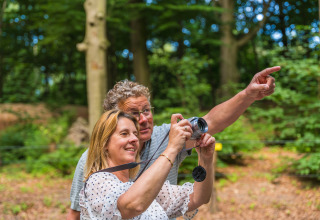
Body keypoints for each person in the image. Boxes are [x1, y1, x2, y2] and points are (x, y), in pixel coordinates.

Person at [67, 66, 281, 219]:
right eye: (133, 113)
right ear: (113, 121)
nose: (143, 119)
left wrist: (248, 95)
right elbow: (77, 212)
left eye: (146, 110)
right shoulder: (92, 163)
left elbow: (211, 122)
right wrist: (172, 147)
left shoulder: (165, 136)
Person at [79, 110, 215, 219]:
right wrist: (172, 147)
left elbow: (198, 197)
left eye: (135, 134)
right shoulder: (97, 182)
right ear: (104, 144)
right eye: (124, 133)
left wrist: (205, 159)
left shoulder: (139, 186)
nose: (133, 139)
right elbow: (132, 206)